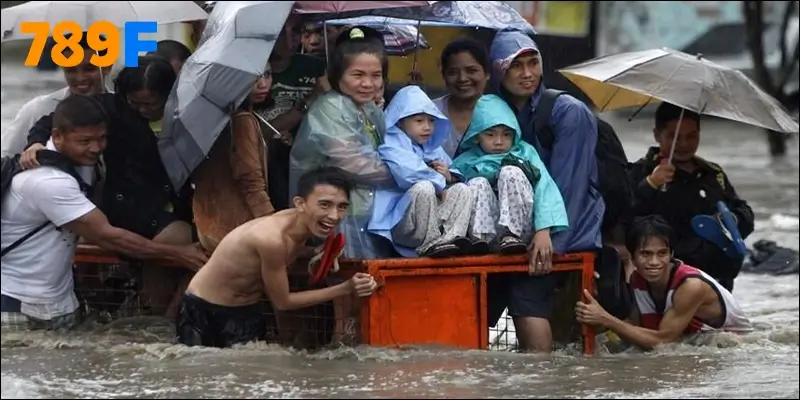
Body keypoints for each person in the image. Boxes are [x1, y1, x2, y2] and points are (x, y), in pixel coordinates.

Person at [1, 95, 207, 332]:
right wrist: (178, 253)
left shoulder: (83, 166)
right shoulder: (47, 180)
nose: (96, 148)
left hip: (61, 304)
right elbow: (108, 236)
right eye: (85, 141)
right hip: (17, 307)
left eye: (102, 139)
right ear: (57, 136)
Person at [23, 56, 196, 317]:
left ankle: (167, 319)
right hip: (127, 206)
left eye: (151, 104)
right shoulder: (112, 108)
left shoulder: (190, 117)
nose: (142, 111)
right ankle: (158, 319)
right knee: (169, 253)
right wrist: (36, 143)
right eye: (135, 103)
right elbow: (54, 121)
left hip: (178, 204)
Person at [489, 30, 605, 353]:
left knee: (527, 296)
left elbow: (571, 186)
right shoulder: (497, 114)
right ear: (499, 70)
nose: (527, 74)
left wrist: (549, 239)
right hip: (521, 232)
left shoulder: (569, 111)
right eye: (516, 66)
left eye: (533, 63)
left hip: (568, 228)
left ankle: (540, 380)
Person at [176, 167, 378, 348]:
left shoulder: (303, 226)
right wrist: (346, 288)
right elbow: (283, 302)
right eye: (325, 205)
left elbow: (286, 254)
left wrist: (312, 253)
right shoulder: (271, 239)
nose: (334, 216)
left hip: (247, 310)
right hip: (203, 309)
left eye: (342, 207)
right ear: (300, 203)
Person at [290, 27, 394, 260]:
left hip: (367, 210)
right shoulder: (332, 107)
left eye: (376, 75)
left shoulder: (369, 109)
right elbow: (354, 163)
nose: (368, 83)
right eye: (357, 75)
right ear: (338, 75)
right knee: (347, 280)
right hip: (336, 213)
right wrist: (405, 173)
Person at [628, 103, 755, 291]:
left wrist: (730, 219)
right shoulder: (639, 172)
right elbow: (624, 218)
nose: (684, 144)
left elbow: (745, 213)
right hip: (667, 281)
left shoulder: (712, 173)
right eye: (674, 137)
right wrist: (651, 184)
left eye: (691, 136)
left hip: (717, 278)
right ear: (657, 134)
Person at [576, 215, 752, 350]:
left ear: (671, 254)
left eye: (662, 254)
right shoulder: (638, 279)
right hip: (692, 340)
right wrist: (598, 323)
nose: (654, 262)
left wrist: (606, 319)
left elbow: (663, 342)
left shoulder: (691, 286)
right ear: (632, 257)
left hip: (737, 344)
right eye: (645, 254)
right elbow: (636, 327)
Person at [369, 85, 473, 258]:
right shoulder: (390, 142)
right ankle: (430, 243)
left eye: (431, 120)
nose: (427, 127)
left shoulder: (431, 146)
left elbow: (454, 171)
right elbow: (408, 174)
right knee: (423, 187)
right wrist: (440, 184)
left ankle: (450, 240)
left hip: (432, 221)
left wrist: (449, 176)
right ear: (400, 121)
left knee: (463, 189)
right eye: (419, 121)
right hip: (403, 224)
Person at [2, 32, 109, 190]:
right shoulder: (38, 109)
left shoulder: (123, 108)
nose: (80, 78)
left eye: (89, 69)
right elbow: (5, 158)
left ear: (107, 66)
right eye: (71, 70)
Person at [192, 70, 275, 252]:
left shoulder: (219, 118)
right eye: (251, 77)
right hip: (235, 225)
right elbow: (249, 179)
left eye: (267, 74)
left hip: (212, 221)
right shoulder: (241, 120)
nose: (262, 84)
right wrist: (271, 223)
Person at [257, 17, 329, 211]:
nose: (291, 40)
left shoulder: (316, 67)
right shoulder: (257, 73)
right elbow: (257, 130)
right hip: (270, 165)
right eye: (282, 33)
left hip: (313, 157)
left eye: (296, 31)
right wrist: (307, 103)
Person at [432, 38, 491, 158]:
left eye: (471, 71)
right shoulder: (430, 112)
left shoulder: (499, 113)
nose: (462, 78)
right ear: (443, 75)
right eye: (453, 72)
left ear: (487, 73)